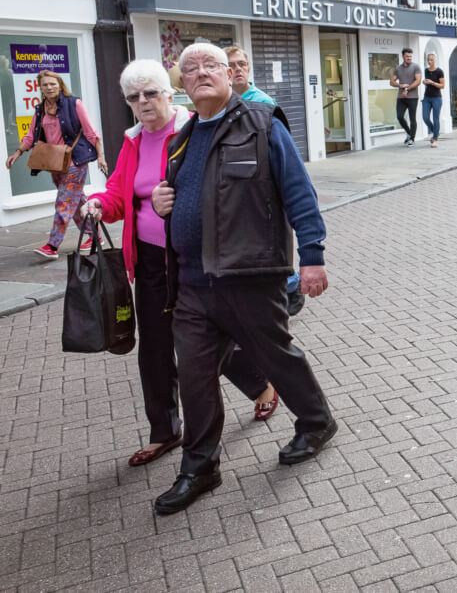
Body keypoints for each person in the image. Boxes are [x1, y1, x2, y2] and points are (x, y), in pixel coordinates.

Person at [149, 42, 336, 514]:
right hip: (192, 283)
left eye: (211, 65)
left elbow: (299, 192)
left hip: (250, 275)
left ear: (230, 75)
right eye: (190, 68)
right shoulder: (181, 140)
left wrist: (311, 256)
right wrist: (159, 204)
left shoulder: (262, 124)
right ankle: (200, 467)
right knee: (193, 377)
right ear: (182, 85)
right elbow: (178, 198)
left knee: (276, 357)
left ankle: (315, 422)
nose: (201, 73)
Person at [79, 59, 277, 468]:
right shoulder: (133, 140)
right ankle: (164, 432)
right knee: (154, 349)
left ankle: (260, 385)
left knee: (201, 344)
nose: (143, 102)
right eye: (134, 97)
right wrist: (98, 203)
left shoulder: (194, 130)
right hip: (150, 263)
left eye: (151, 92)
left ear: (171, 94)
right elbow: (118, 193)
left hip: (192, 257)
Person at [225, 45, 304, 315]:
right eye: (231, 65)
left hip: (264, 185)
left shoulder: (263, 103)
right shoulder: (220, 104)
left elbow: (282, 153)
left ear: (248, 68)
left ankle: (291, 287)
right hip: (237, 187)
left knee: (272, 241)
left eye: (241, 64)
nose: (237, 70)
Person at [6, 70, 106, 259]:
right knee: (76, 203)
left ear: (60, 85)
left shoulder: (74, 103)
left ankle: (52, 245)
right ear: (40, 88)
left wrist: (101, 156)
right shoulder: (40, 108)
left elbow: (91, 132)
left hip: (75, 161)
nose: (49, 87)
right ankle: (95, 236)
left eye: (53, 84)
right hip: (54, 162)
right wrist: (17, 153)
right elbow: (30, 136)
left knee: (63, 203)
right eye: (45, 85)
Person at [389, 48, 422, 145]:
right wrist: (400, 85)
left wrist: (407, 89)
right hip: (401, 97)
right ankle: (408, 132)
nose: (409, 58)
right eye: (407, 56)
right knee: (399, 116)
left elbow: (418, 81)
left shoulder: (416, 67)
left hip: (413, 97)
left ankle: (412, 138)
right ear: (403, 56)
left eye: (410, 56)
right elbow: (391, 82)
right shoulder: (398, 68)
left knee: (412, 118)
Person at [422, 52, 445, 147]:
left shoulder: (439, 71)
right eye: (428, 60)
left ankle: (435, 139)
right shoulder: (426, 70)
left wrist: (432, 82)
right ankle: (435, 131)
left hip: (436, 98)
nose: (429, 62)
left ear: (435, 60)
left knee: (436, 118)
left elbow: (442, 86)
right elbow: (426, 82)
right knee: (425, 117)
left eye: (431, 60)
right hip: (427, 97)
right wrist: (424, 82)